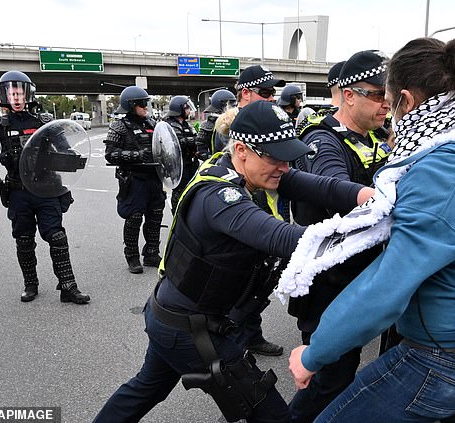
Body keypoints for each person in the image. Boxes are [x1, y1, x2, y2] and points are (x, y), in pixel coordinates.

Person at [288, 37, 455, 423]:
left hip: (445, 359)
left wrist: (313, 354)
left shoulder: (442, 170)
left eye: (389, 99)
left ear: (407, 101)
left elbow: (389, 287)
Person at [92, 100, 375, 423]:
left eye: (288, 157)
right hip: (191, 328)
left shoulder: (256, 170)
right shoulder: (220, 199)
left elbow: (326, 187)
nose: (284, 166)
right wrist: (372, 230)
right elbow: (286, 240)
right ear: (241, 149)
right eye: (275, 157)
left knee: (147, 388)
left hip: (173, 314)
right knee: (271, 415)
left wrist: (373, 197)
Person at [287, 49, 392, 423]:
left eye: (389, 95)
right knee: (328, 377)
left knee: (349, 377)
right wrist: (372, 197)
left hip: (365, 278)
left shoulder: (377, 137)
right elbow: (334, 188)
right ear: (349, 94)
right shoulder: (323, 139)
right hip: (329, 284)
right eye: (377, 94)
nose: (386, 103)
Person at [0, 71, 90, 304]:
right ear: (5, 95)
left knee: (56, 236)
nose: (15, 96)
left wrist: (70, 158)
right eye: (11, 92)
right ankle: (31, 284)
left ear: (27, 94)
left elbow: (64, 148)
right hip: (18, 192)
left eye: (19, 92)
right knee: (24, 239)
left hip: (47, 189)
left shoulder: (44, 122)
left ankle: (68, 286)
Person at [227, 65, 288, 357]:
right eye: (265, 93)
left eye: (273, 93)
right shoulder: (230, 128)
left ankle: (251, 336)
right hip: (240, 220)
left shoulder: (267, 124)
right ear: (246, 93)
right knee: (237, 286)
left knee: (256, 283)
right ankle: (237, 343)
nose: (271, 98)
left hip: (262, 215)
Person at [104, 86, 165, 274]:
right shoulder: (119, 126)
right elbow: (110, 154)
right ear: (131, 105)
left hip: (154, 177)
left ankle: (152, 253)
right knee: (134, 217)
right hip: (134, 179)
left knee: (155, 216)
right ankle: (132, 255)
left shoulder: (153, 123)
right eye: (142, 103)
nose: (146, 107)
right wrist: (137, 155)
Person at [164, 95, 198, 213]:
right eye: (187, 108)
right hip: (178, 166)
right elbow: (177, 143)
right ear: (180, 109)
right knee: (179, 194)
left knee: (190, 192)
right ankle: (177, 216)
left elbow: (195, 139)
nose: (189, 111)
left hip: (189, 163)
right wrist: (192, 141)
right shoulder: (170, 125)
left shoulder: (186, 125)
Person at [195, 89, 237, 160]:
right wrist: (213, 159)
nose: (234, 109)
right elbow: (201, 150)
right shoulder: (208, 125)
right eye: (232, 106)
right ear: (224, 106)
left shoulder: (235, 122)